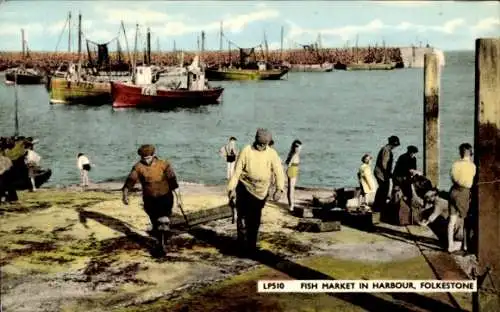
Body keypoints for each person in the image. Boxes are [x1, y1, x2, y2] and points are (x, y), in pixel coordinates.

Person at [227, 128, 285, 256]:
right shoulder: (246, 151)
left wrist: (279, 189)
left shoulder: (272, 154)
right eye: (259, 143)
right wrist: (231, 189)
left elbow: (279, 172)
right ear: (255, 140)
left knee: (254, 220)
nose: (261, 146)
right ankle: (242, 245)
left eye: (264, 144)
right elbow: (236, 173)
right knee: (242, 217)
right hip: (244, 187)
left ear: (267, 143)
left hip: (261, 192)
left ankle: (251, 246)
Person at [122, 144, 183, 250]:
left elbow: (173, 183)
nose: (147, 160)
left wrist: (179, 199)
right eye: (144, 158)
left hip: (165, 198)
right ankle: (160, 242)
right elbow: (130, 182)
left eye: (149, 158)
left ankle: (163, 243)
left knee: (164, 222)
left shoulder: (164, 164)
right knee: (155, 224)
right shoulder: (138, 167)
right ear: (141, 157)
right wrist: (125, 195)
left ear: (154, 155)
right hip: (149, 200)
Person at [447, 143, 476, 253]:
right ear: (470, 153)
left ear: (460, 152)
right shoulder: (472, 166)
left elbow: (453, 178)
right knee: (467, 219)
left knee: (451, 220)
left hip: (453, 190)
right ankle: (465, 245)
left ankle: (450, 245)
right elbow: (471, 181)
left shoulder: (455, 164)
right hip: (464, 192)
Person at [373, 135, 400, 212]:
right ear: (393, 144)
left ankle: (378, 206)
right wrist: (388, 174)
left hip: (382, 173)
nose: (395, 147)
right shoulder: (386, 150)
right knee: (383, 189)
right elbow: (384, 164)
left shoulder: (386, 149)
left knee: (383, 189)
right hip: (381, 173)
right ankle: (378, 207)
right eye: (395, 145)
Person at [285, 140, 302, 212]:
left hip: (294, 171)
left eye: (299, 147)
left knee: (291, 188)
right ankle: (291, 205)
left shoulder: (295, 154)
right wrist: (288, 169)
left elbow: (287, 162)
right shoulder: (294, 154)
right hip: (292, 171)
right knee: (291, 189)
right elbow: (288, 164)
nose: (299, 148)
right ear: (294, 147)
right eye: (297, 147)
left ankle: (291, 204)